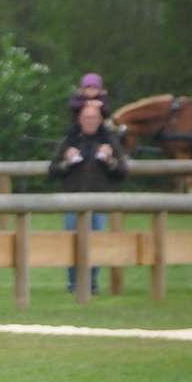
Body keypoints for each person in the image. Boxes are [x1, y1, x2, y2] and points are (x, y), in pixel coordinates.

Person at [49, 99, 127, 293]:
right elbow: (53, 170)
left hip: (99, 201)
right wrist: (67, 163)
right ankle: (74, 285)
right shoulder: (69, 141)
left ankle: (91, 285)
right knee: (71, 245)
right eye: (86, 118)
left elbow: (122, 173)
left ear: (100, 120)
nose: (90, 121)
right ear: (79, 120)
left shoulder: (110, 142)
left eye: (94, 117)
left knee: (96, 244)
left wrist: (110, 161)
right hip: (72, 200)